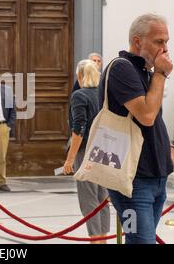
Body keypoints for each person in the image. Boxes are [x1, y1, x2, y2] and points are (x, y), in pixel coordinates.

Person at [99, 13, 173, 244]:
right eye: (159, 41)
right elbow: (147, 116)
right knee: (140, 241)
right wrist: (161, 74)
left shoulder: (145, 72)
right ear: (138, 40)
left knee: (138, 240)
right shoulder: (122, 69)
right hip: (131, 183)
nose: (165, 48)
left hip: (156, 178)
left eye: (166, 42)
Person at [63, 60, 110, 244]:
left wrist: (70, 159)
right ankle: (103, 239)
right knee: (102, 197)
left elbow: (79, 129)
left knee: (88, 198)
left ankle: (95, 240)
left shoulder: (79, 95)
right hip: (105, 151)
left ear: (80, 76)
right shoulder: (103, 95)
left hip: (87, 152)